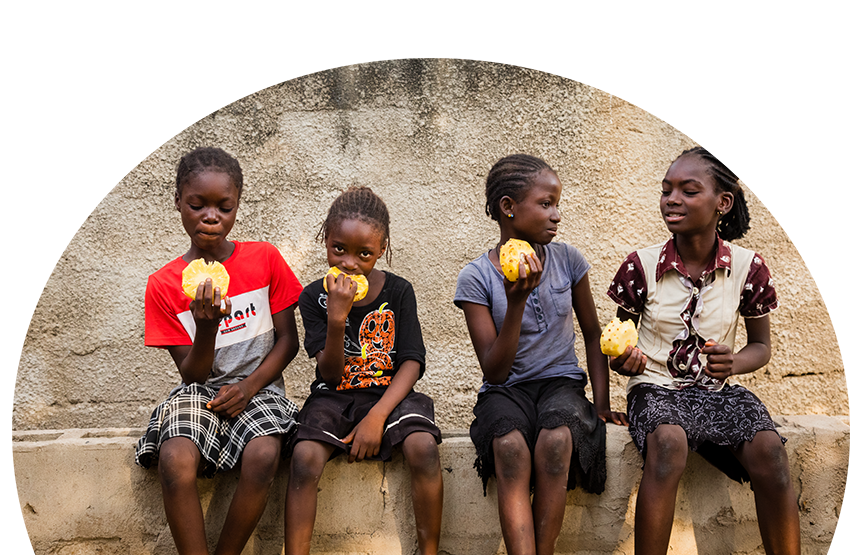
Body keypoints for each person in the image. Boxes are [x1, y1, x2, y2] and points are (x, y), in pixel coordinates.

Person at [607, 147, 800, 554]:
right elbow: (618, 346)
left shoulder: (748, 268)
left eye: (688, 191)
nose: (672, 199)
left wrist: (733, 362)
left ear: (721, 203)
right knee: (669, 443)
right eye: (666, 190)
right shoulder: (639, 266)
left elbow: (761, 347)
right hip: (655, 388)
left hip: (716, 392)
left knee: (771, 453)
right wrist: (625, 362)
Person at [454, 154, 625, 555]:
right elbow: (494, 372)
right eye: (546, 204)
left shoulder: (568, 260)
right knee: (510, 447)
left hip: (561, 383)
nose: (557, 215)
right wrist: (516, 303)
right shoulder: (476, 277)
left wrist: (601, 404)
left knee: (555, 439)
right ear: (508, 208)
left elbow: (593, 332)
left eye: (557, 204)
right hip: (506, 389)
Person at [135, 146, 303, 555]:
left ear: (237, 205)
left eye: (224, 207)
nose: (211, 217)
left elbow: (288, 341)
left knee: (264, 454)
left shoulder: (265, 259)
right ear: (178, 202)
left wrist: (248, 387)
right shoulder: (164, 285)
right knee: (174, 459)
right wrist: (206, 327)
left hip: (260, 390)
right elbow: (192, 375)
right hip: (201, 393)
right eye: (197, 205)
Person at [285, 186, 443, 555]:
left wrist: (377, 416)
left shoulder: (400, 291)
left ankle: (429, 550)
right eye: (338, 249)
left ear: (382, 249)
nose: (350, 263)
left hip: (390, 395)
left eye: (365, 254)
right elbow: (329, 375)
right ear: (326, 241)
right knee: (305, 457)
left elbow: (411, 362)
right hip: (334, 396)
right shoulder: (313, 297)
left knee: (424, 448)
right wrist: (336, 318)